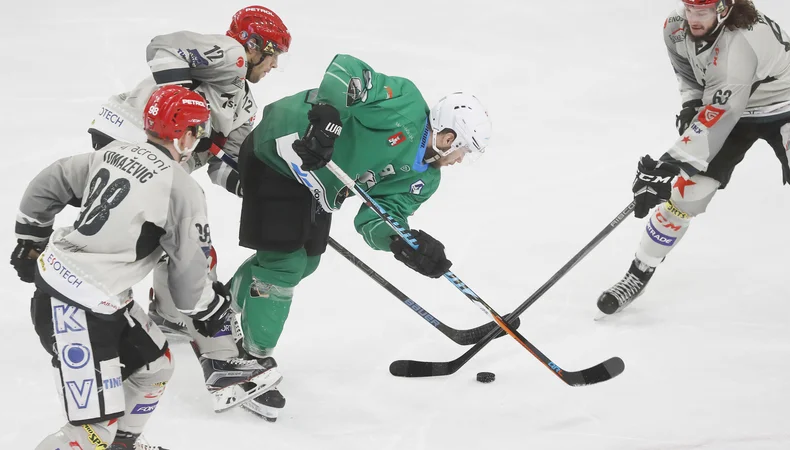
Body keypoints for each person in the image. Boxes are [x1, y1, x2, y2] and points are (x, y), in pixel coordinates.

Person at [225, 53, 492, 420]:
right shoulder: (405, 102)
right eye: (463, 149)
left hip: (318, 183)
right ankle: (247, 365)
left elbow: (375, 219)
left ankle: (223, 307)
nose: (461, 159)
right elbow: (346, 69)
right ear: (449, 136)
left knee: (307, 263)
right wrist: (328, 116)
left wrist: (403, 243)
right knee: (283, 265)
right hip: (281, 149)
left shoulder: (426, 178)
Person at [87, 5, 292, 409]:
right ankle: (223, 366)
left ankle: (167, 315)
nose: (273, 66)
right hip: (130, 142)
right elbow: (163, 49)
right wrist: (181, 105)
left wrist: (256, 190)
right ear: (255, 46)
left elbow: (221, 163)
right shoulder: (229, 54)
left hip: (158, 164)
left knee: (169, 242)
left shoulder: (245, 106)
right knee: (190, 248)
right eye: (274, 56)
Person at [11, 86, 232, 449]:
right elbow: (188, 276)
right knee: (91, 432)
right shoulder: (182, 189)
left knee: (154, 368)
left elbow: (54, 179)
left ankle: (122, 445)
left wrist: (30, 237)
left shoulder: (112, 151)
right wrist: (210, 309)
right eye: (198, 131)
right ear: (184, 132)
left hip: (93, 293)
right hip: (77, 306)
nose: (199, 139)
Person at [597, 0, 790, 314]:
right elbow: (690, 76)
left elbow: (721, 111)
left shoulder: (740, 41)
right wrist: (691, 104)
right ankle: (638, 273)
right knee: (687, 194)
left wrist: (672, 162)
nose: (693, 17)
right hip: (732, 107)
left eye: (703, 11)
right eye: (690, 8)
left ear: (725, 8)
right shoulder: (675, 28)